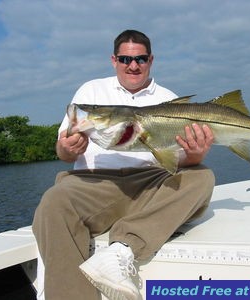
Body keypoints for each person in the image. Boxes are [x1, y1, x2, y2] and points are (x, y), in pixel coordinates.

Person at [33, 29, 215, 300]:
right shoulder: (90, 91)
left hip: (150, 183)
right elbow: (64, 151)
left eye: (141, 59)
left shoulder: (169, 99)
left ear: (151, 60)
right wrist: (67, 147)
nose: (133, 65)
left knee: (202, 177)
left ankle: (122, 249)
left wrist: (196, 153)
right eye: (125, 59)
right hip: (95, 185)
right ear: (113, 60)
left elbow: (180, 161)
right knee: (53, 201)